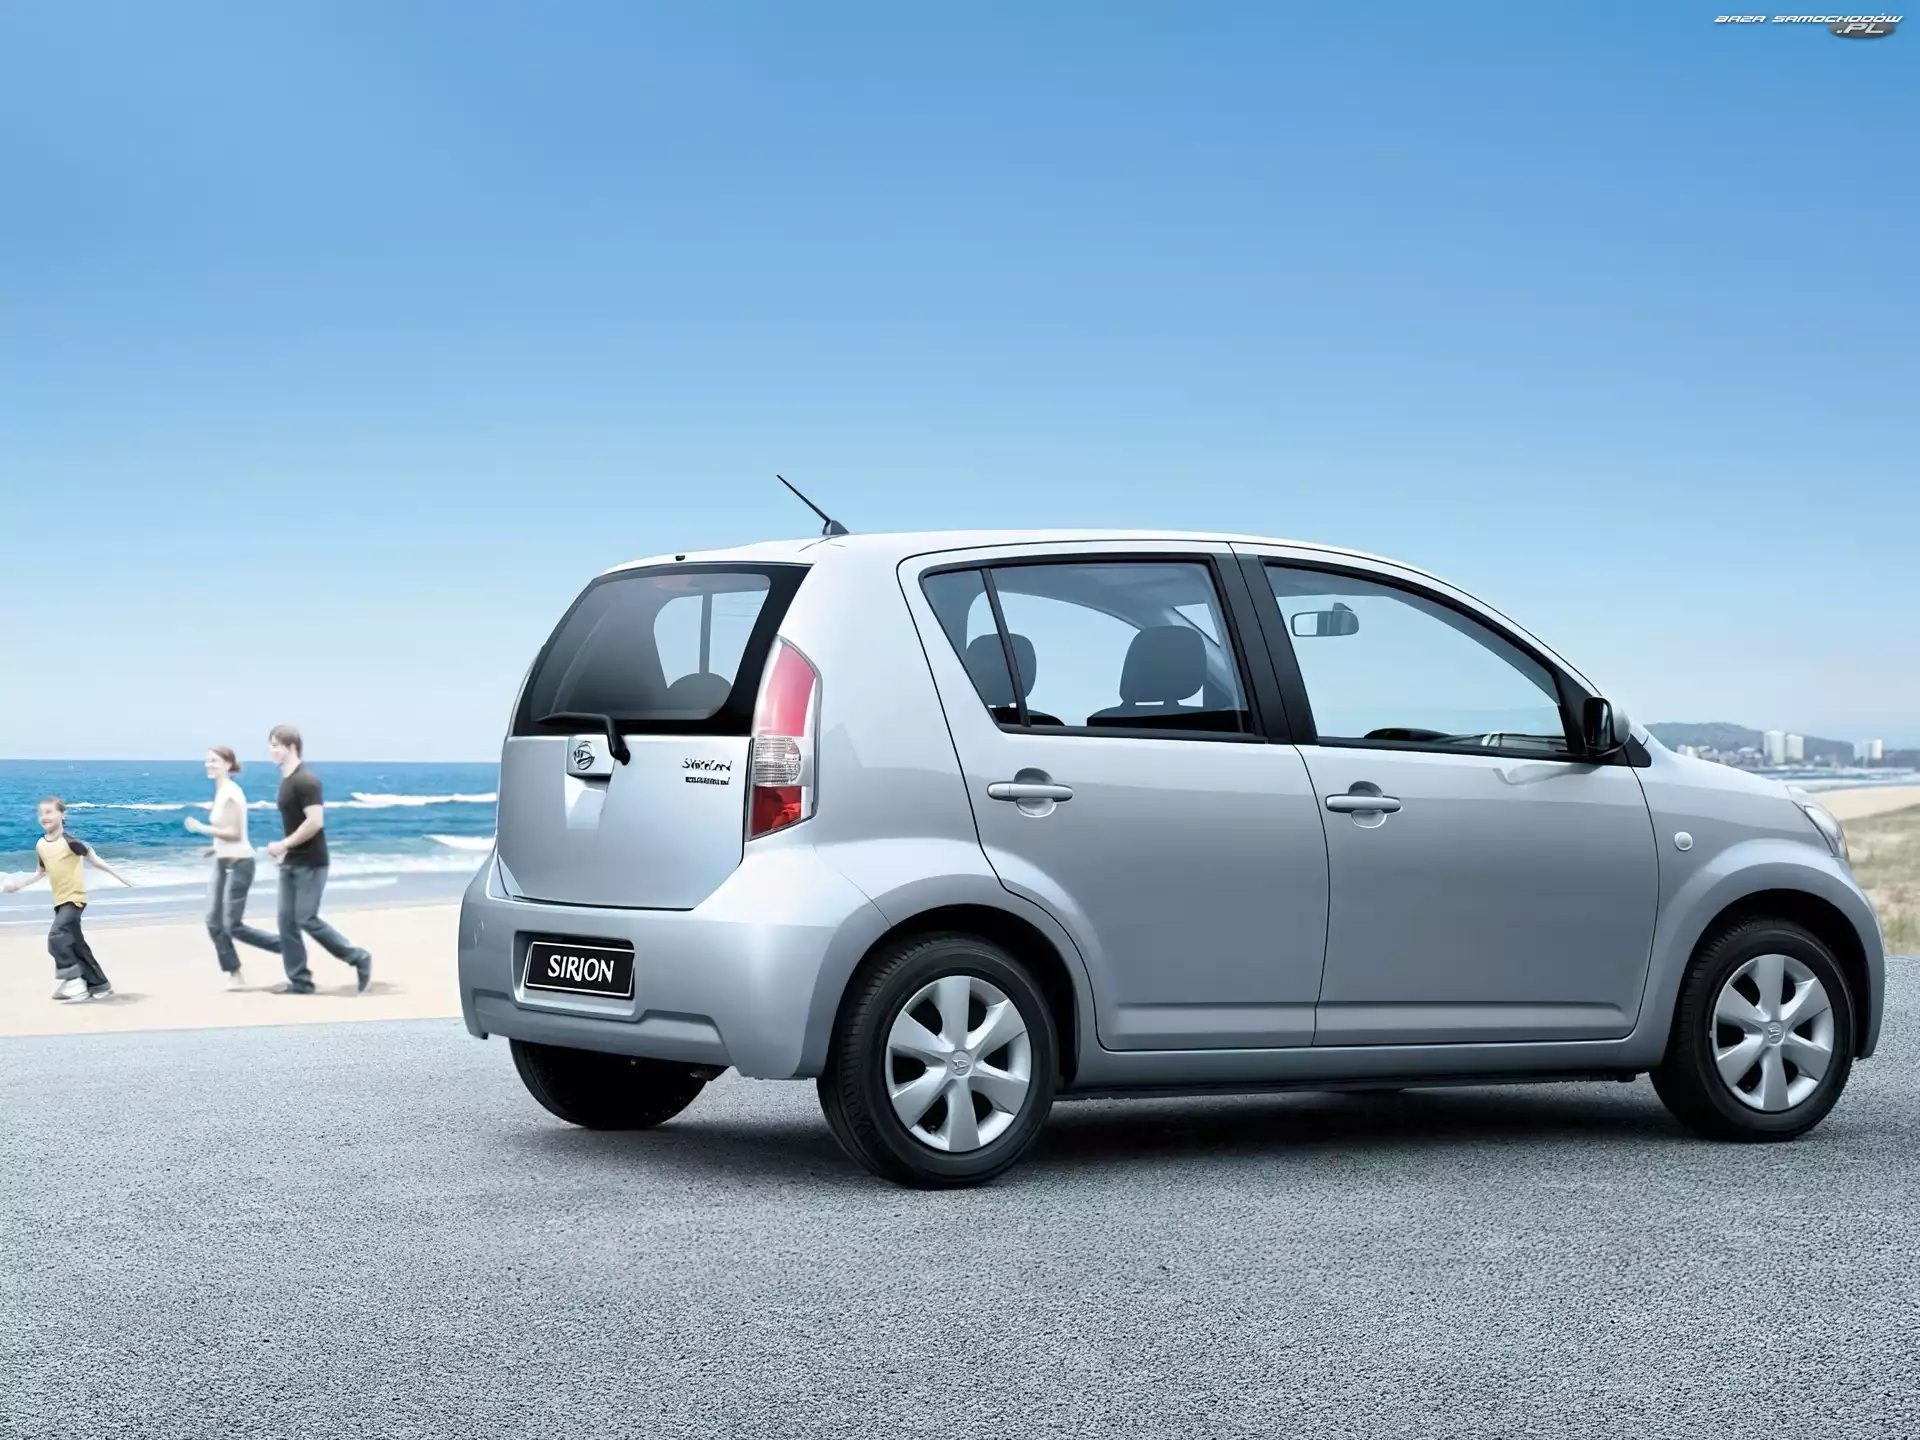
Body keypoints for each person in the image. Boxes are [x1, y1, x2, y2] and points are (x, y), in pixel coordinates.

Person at [264, 724, 372, 994]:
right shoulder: (287, 780)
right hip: (291, 861)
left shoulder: (306, 781)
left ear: (291, 747)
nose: (271, 751)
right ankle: (300, 982)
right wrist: (286, 851)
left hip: (311, 862)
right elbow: (295, 822)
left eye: (275, 746)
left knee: (306, 918)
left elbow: (314, 822)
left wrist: (283, 844)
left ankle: (358, 957)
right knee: (286, 923)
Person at [1, 796, 132, 1002]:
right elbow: (39, 873)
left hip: (74, 900)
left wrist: (123, 878)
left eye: (49, 812)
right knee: (76, 945)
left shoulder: (70, 842)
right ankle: (100, 984)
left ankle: (74, 982)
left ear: (62, 814)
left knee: (56, 937)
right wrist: (18, 885)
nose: (44, 817)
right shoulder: (41, 845)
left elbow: (97, 861)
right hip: (60, 901)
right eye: (41, 813)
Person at [184, 745, 279, 988]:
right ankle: (234, 973)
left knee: (231, 925)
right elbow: (227, 832)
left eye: (214, 761)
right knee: (213, 921)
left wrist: (201, 828)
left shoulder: (231, 793)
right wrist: (215, 848)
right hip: (223, 861)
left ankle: (285, 946)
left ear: (228, 764)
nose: (209, 764)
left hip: (240, 864)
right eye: (207, 760)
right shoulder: (221, 791)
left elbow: (235, 833)